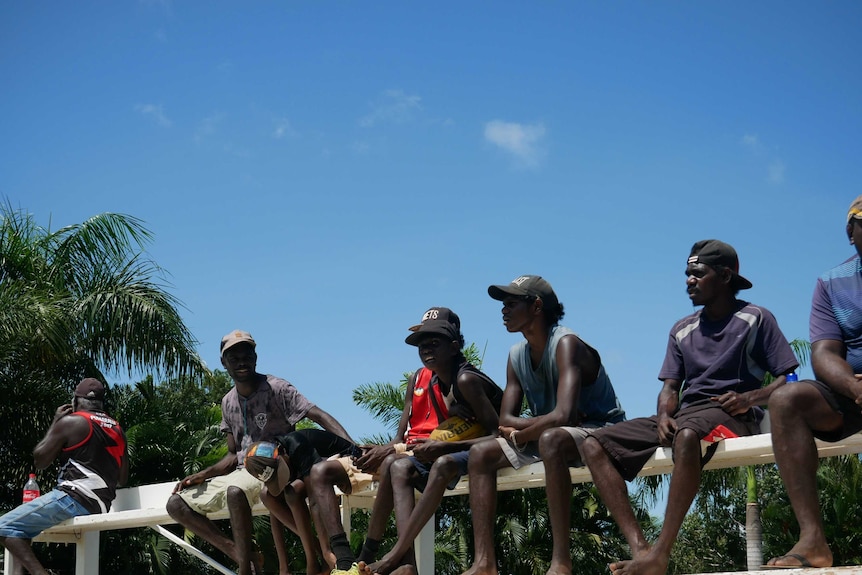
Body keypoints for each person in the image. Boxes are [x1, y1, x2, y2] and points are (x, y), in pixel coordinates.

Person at [580, 240, 799, 575]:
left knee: (686, 436)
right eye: (687, 274)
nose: (688, 280)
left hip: (735, 414)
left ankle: (661, 554)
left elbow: (790, 377)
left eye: (698, 273)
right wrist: (665, 414)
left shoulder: (755, 318)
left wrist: (749, 399)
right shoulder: (682, 328)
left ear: (725, 275)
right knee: (594, 444)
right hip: (685, 415)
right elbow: (670, 387)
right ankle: (642, 551)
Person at [308, 307, 502, 575]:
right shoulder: (430, 377)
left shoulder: (464, 378)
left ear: (454, 345)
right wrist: (385, 447)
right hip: (418, 449)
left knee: (395, 464)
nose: (426, 349)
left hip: (460, 450)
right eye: (421, 344)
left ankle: (391, 558)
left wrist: (426, 446)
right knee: (323, 470)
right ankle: (350, 561)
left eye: (434, 342)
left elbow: (496, 432)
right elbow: (404, 435)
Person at [460, 275, 625, 575]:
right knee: (481, 454)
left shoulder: (566, 343)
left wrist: (522, 431)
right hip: (550, 434)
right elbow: (504, 421)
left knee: (551, 438)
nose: (503, 310)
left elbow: (563, 415)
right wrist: (529, 428)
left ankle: (561, 561)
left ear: (536, 306)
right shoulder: (515, 355)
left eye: (511, 303)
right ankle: (485, 563)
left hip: (600, 429)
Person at [166, 330, 355, 575]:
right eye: (234, 358)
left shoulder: (276, 388)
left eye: (247, 355)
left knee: (236, 493)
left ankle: (245, 569)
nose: (242, 362)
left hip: (275, 466)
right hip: (243, 469)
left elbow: (318, 414)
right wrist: (204, 473)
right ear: (224, 363)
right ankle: (242, 555)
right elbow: (234, 455)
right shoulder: (227, 401)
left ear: (255, 357)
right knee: (175, 504)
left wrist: (353, 449)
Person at [765, 197, 862, 569]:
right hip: (850, 394)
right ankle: (813, 542)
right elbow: (823, 355)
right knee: (787, 399)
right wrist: (856, 389)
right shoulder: (831, 283)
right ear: (850, 233)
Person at [0, 378, 129, 575]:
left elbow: (40, 460)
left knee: (3, 526)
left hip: (72, 498)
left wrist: (56, 423)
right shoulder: (118, 429)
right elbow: (123, 478)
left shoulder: (73, 422)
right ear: (101, 402)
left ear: (76, 400)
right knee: (19, 530)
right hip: (100, 505)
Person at [244, 430, 366, 573]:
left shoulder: (296, 444)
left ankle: (322, 558)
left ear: (282, 454)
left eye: (281, 472)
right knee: (267, 495)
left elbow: (315, 501)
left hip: (339, 462)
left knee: (292, 492)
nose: (283, 478)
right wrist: (283, 567)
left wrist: (327, 551)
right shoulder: (269, 462)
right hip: (310, 474)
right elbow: (275, 515)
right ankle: (313, 557)